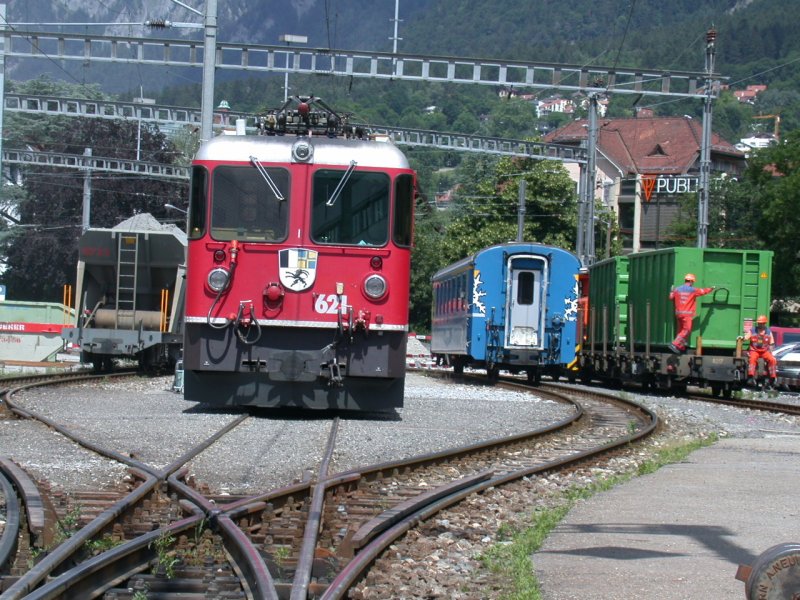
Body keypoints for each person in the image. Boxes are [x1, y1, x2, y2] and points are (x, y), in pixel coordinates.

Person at [668, 273, 715, 354]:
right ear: (691, 281)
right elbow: (703, 291)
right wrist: (711, 289)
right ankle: (675, 344)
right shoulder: (693, 290)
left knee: (680, 331)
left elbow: (671, 298)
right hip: (687, 315)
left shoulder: (677, 289)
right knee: (687, 330)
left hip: (679, 314)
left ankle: (680, 346)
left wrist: (671, 291)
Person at [747, 314, 777, 384]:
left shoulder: (769, 332)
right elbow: (746, 337)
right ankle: (750, 377)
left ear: (764, 323)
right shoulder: (752, 330)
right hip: (754, 350)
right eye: (759, 323)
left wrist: (771, 352)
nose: (759, 324)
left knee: (772, 360)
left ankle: (772, 377)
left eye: (761, 323)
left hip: (764, 351)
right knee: (752, 359)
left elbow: (772, 343)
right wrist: (742, 338)